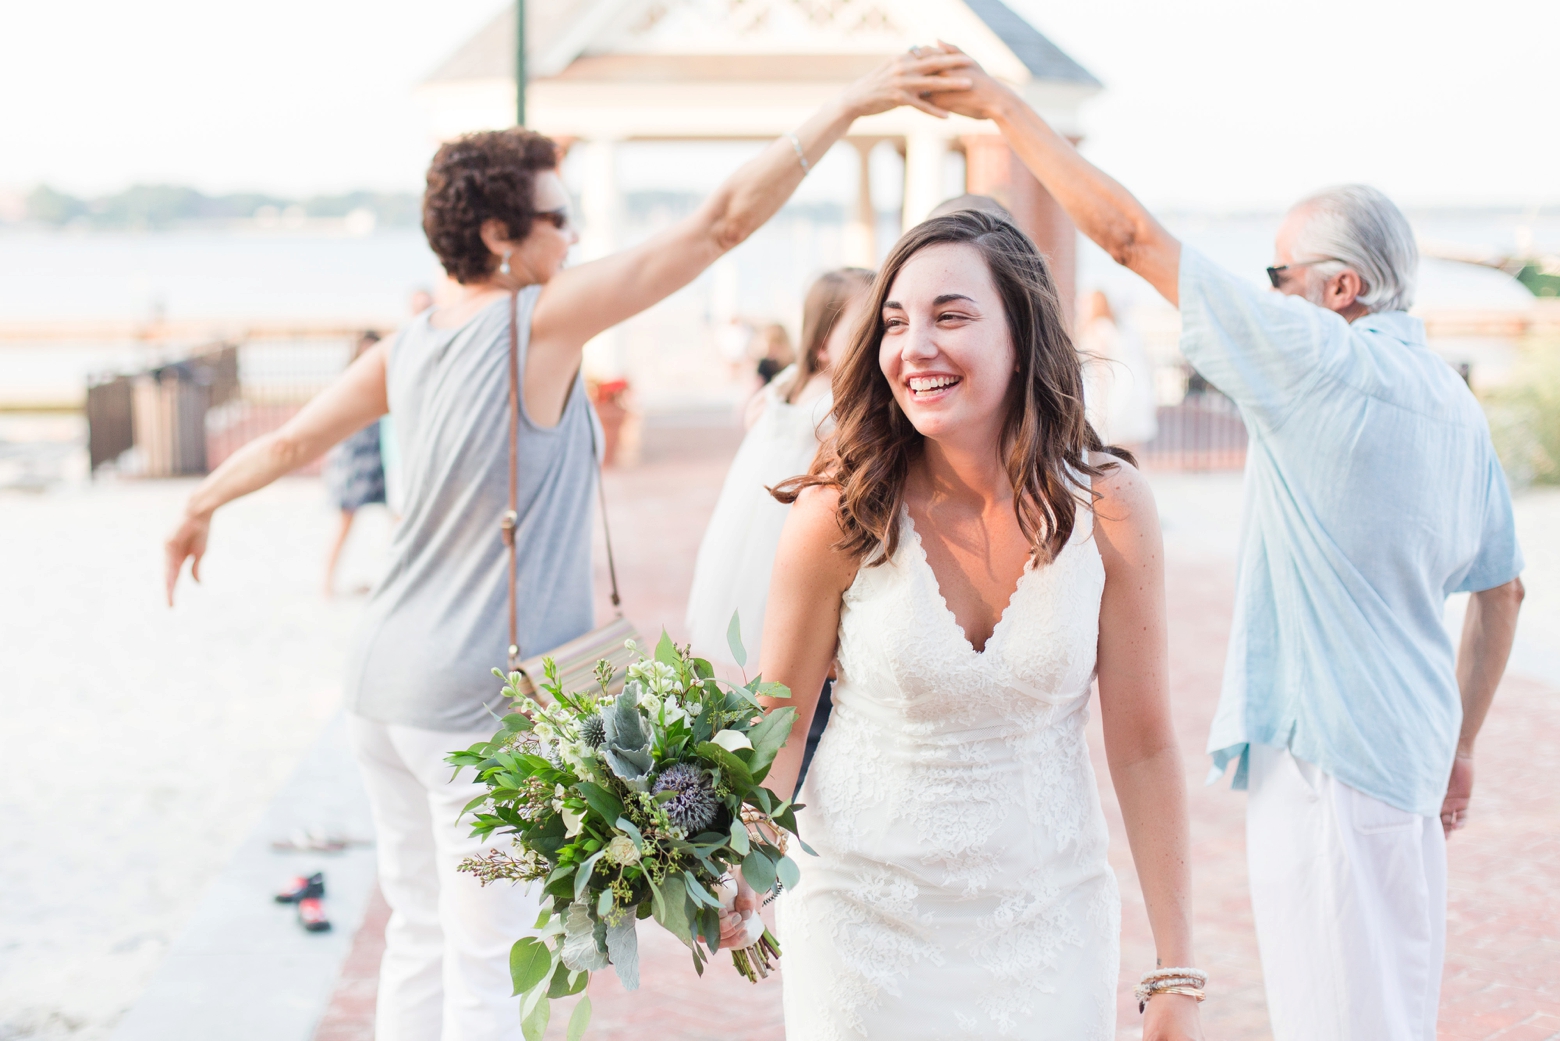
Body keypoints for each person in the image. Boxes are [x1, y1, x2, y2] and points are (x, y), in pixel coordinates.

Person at [162, 49, 974, 1041]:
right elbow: (717, 226)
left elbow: (291, 441)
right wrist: (850, 101)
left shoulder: (409, 342)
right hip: (472, 694)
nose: (577, 232)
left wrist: (199, 504)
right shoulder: (535, 324)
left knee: (418, 936)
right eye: (558, 217)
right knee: (486, 956)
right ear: (502, 236)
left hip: (380, 686)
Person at [922, 45, 1525, 1041]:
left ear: (1338, 290)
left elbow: (1125, 235)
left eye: (1277, 276)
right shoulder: (1452, 402)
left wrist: (999, 106)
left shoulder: (1323, 362)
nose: (1267, 295)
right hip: (1413, 758)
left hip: (1330, 764)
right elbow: (1502, 592)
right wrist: (1462, 746)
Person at [747, 210, 1203, 1040]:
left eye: (949, 316)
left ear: (1022, 336)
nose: (913, 346)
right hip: (860, 928)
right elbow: (777, 720)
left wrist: (1177, 966)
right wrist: (738, 851)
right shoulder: (839, 511)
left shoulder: (1111, 508)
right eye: (894, 323)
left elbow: (1143, 742)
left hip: (1048, 925)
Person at [685, 266, 872, 783]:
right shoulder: (835, 407)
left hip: (758, 553)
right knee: (804, 688)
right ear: (822, 343)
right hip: (790, 557)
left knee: (777, 689)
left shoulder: (784, 389)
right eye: (863, 327)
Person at [323, 330, 388, 595]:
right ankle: (327, 583)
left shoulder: (388, 377)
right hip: (354, 456)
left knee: (398, 518)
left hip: (382, 454)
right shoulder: (347, 380)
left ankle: (394, 583)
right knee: (345, 520)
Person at [1077, 290, 1158, 455]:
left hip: (1112, 396)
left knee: (1107, 451)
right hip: (1132, 393)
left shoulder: (1098, 328)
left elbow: (1099, 372)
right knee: (1130, 451)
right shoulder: (1119, 328)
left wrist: (1098, 408)